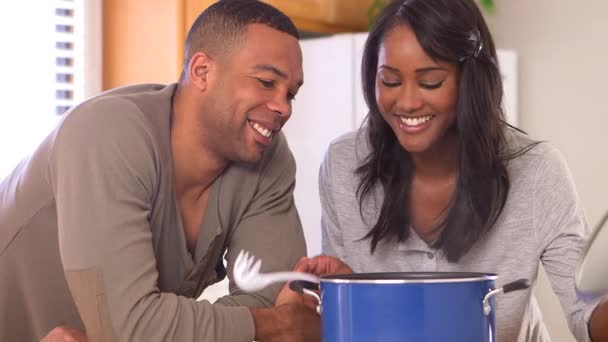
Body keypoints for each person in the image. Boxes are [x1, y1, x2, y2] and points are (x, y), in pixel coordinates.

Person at [0, 1, 324, 341]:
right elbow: (279, 322)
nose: (283, 107)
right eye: (265, 82)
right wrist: (267, 324)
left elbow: (275, 299)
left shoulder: (270, 158)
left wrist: (143, 328)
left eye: (291, 94)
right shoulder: (106, 134)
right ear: (202, 72)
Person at [312, 0, 608, 340]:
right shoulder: (343, 164)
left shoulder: (537, 171)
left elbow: (586, 313)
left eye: (430, 82)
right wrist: (335, 290)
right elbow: (342, 320)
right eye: (390, 81)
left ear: (470, 80)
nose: (407, 102)